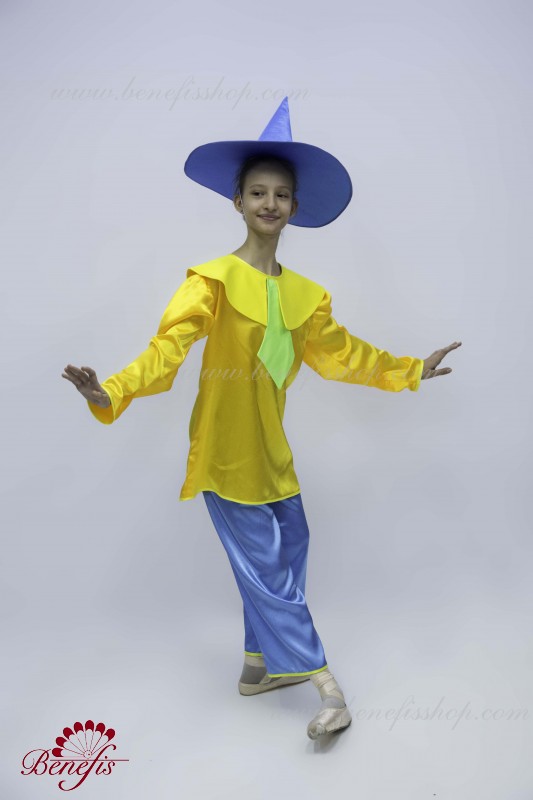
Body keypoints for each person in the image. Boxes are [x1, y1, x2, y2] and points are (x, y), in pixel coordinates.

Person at [62, 97, 461, 740]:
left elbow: (344, 355)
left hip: (274, 451)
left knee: (292, 549)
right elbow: (167, 351)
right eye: (257, 192)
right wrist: (108, 391)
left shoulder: (306, 296)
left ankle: (257, 668)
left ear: (294, 206)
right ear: (237, 202)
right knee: (270, 573)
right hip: (225, 452)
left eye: (280, 194)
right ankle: (327, 688)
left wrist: (411, 369)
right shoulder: (212, 281)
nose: (268, 203)